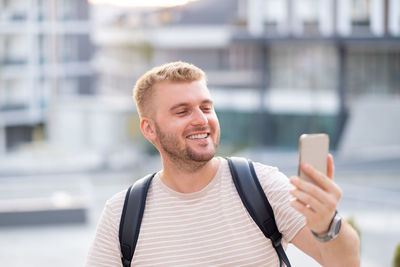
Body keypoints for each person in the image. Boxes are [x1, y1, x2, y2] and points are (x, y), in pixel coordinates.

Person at [86, 61, 360, 266]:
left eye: (206, 107)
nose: (201, 120)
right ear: (149, 129)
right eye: (182, 111)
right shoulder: (121, 214)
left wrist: (327, 224)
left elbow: (345, 262)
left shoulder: (261, 185)